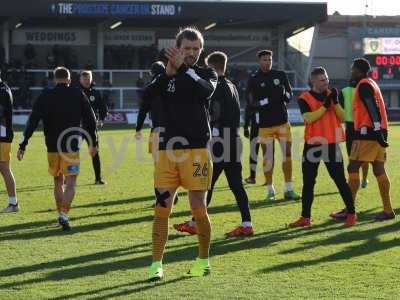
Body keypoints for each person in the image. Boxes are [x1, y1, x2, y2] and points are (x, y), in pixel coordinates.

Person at [145, 27, 217, 281]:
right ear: (177, 48)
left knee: (198, 208)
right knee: (162, 208)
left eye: (196, 49)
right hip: (167, 151)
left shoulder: (207, 73)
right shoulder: (166, 75)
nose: (192, 53)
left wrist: (184, 70)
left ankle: (203, 261)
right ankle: (156, 264)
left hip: (197, 151)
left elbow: (205, 91)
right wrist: (167, 74)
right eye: (187, 49)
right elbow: (148, 96)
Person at [173, 51, 253, 237]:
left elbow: (214, 114)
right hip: (234, 140)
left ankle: (195, 222)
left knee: (205, 184)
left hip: (219, 142)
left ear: (211, 66)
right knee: (235, 185)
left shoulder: (215, 87)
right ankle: (247, 223)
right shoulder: (232, 85)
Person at [17, 67, 98, 231]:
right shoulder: (77, 93)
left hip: (52, 146)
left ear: (55, 80)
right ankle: (64, 214)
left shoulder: (46, 95)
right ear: (69, 80)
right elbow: (91, 119)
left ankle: (60, 213)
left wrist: (23, 144)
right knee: (71, 182)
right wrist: (93, 142)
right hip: (71, 146)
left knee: (57, 181)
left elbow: (33, 119)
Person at [289, 67, 356, 228]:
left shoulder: (333, 95)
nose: (326, 82)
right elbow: (309, 118)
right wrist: (325, 106)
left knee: (340, 180)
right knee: (309, 182)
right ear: (313, 81)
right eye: (322, 80)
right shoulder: (304, 98)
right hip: (312, 145)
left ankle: (352, 214)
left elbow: (343, 117)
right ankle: (305, 217)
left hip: (331, 144)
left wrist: (336, 103)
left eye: (326, 79)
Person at [334, 58, 395, 221]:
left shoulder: (364, 85)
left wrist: (375, 131)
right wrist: (380, 133)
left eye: (353, 68)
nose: (351, 71)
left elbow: (372, 109)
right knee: (379, 170)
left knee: (352, 167)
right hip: (378, 131)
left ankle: (349, 209)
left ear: (359, 70)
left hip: (367, 133)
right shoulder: (371, 83)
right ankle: (388, 211)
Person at [247, 50, 300, 201]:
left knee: (288, 155)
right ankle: (270, 191)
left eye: (270, 59)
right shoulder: (254, 79)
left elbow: (289, 93)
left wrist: (285, 97)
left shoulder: (280, 75)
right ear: (259, 61)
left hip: (283, 122)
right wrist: (267, 101)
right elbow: (251, 102)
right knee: (268, 158)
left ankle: (288, 189)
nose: (268, 62)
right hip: (265, 126)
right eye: (264, 60)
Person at [80, 70, 108, 185]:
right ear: (80, 80)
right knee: (72, 153)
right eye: (84, 79)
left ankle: (98, 178)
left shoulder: (96, 93)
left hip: (91, 127)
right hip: (77, 127)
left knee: (95, 152)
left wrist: (101, 119)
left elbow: (103, 107)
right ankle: (67, 178)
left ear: (91, 79)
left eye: (88, 79)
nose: (87, 81)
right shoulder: (75, 92)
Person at [340, 79, 369, 188]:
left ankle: (351, 180)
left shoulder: (344, 91)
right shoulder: (364, 89)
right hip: (363, 126)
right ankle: (365, 180)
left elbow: (340, 108)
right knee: (365, 155)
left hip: (350, 127)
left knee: (351, 156)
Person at [0, 71, 18, 213]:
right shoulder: (4, 88)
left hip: (2, 135)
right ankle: (13, 203)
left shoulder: (3, 90)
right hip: (3, 133)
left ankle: (13, 203)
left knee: (5, 168)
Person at [243, 77, 267, 185]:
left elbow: (249, 109)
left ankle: (254, 177)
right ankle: (261, 178)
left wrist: (245, 127)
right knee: (263, 152)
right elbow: (248, 109)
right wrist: (245, 127)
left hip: (260, 127)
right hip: (262, 126)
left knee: (257, 152)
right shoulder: (263, 93)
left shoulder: (252, 93)